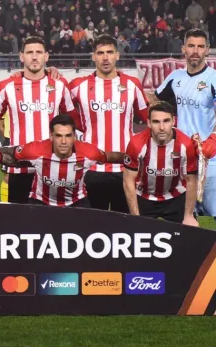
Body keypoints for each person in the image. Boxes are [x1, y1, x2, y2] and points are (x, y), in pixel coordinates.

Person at [0, 36, 77, 204]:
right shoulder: (7, 86)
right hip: (19, 168)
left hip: (52, 168)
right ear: (21, 56)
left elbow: (73, 121)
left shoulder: (59, 84)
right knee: (19, 224)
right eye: (29, 52)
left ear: (46, 56)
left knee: (52, 224)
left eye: (38, 52)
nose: (34, 57)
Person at [69, 34, 149, 213]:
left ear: (117, 55)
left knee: (125, 225)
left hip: (126, 168)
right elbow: (61, 106)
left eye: (110, 52)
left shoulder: (132, 84)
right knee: (94, 225)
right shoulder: (78, 85)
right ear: (93, 56)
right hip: (92, 169)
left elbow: (149, 119)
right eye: (100, 53)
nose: (105, 57)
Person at [149, 29, 216, 218]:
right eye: (191, 46)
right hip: (180, 158)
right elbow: (156, 101)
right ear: (183, 49)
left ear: (207, 50)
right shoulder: (175, 77)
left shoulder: (213, 79)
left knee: (213, 211)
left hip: (209, 158)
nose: (195, 51)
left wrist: (213, 139)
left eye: (200, 46)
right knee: (183, 215)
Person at [8, 114, 123, 207]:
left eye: (68, 136)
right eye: (58, 136)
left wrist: (132, 160)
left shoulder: (89, 153)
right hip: (41, 202)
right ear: (51, 136)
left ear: (74, 137)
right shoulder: (36, 150)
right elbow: (9, 154)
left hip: (76, 202)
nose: (63, 141)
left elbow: (111, 157)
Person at [123, 102, 199, 226]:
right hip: (144, 196)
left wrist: (188, 216)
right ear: (148, 123)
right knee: (133, 235)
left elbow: (191, 180)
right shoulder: (137, 144)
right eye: (156, 122)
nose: (162, 127)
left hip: (175, 196)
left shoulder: (186, 144)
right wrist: (135, 217)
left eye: (166, 121)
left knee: (192, 234)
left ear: (174, 121)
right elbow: (128, 181)